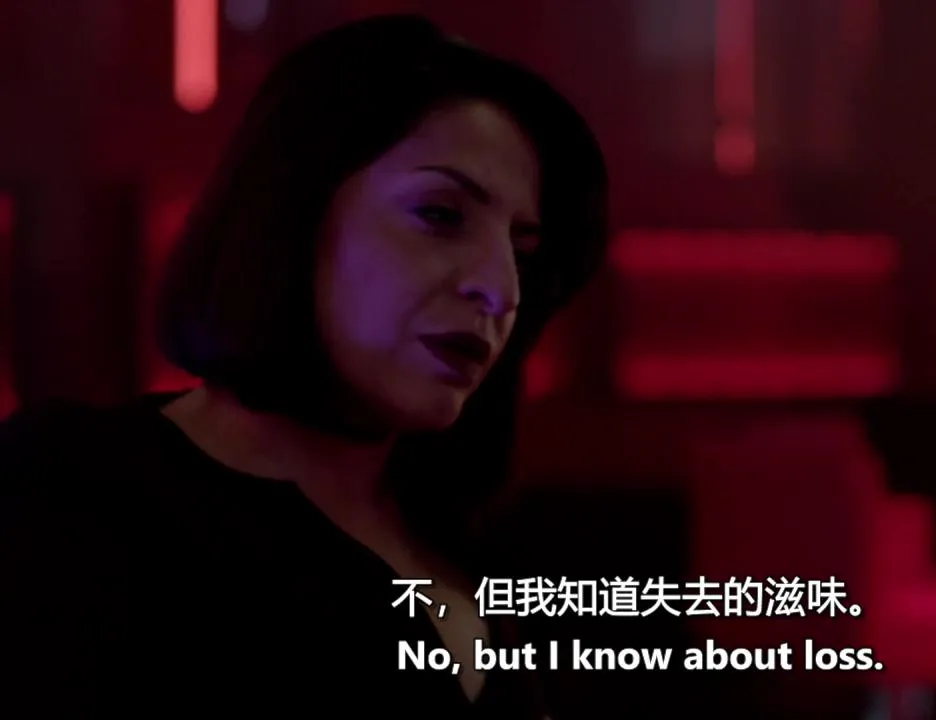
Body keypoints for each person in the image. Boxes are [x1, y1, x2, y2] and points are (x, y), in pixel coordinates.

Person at [0, 14, 607, 716]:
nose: (500, 289)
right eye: (441, 215)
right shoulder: (80, 499)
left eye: (522, 253)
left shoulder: (481, 548)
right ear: (295, 212)